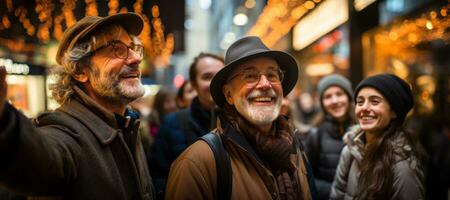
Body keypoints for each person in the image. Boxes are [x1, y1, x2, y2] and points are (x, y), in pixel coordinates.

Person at [0, 13, 154, 199]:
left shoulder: (129, 125)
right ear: (81, 71)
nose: (136, 58)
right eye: (117, 49)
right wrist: (5, 121)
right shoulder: (66, 134)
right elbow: (39, 160)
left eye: (133, 48)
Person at [166, 36, 316, 199]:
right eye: (250, 76)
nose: (265, 84)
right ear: (229, 94)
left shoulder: (295, 147)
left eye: (272, 75)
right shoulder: (197, 163)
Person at [330, 74, 426, 200]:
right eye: (360, 102)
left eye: (374, 101)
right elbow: (337, 194)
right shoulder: (350, 150)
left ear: (394, 112)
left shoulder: (402, 166)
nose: (364, 108)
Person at [149, 53, 224, 198]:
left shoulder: (240, 122)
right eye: (207, 77)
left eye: (220, 76)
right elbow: (157, 175)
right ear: (194, 84)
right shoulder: (172, 123)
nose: (215, 83)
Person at [303, 74, 356, 200]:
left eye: (339, 94)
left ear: (349, 97)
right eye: (328, 96)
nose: (334, 100)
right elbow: (307, 177)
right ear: (322, 103)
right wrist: (336, 192)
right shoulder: (315, 134)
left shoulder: (364, 130)